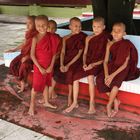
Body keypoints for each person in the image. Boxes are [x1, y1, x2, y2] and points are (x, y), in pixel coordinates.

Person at [64, 17, 111, 113]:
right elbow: (84, 54)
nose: (96, 29)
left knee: (90, 77)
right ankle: (74, 102)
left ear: (103, 27)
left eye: (99, 27)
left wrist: (93, 65)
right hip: (88, 62)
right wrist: (85, 63)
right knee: (75, 77)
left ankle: (92, 103)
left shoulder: (106, 38)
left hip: (99, 64)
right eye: (94, 27)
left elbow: (105, 58)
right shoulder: (88, 38)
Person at [96, 22, 140, 117]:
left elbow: (125, 64)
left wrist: (111, 76)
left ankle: (109, 105)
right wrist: (107, 75)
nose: (116, 33)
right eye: (114, 31)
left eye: (119, 31)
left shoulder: (127, 44)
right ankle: (116, 100)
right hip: (112, 66)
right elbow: (105, 61)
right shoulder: (109, 44)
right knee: (99, 79)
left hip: (123, 68)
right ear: (111, 32)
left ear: (124, 33)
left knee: (115, 84)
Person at [28, 15, 60, 116]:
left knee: (46, 83)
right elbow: (32, 55)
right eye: (38, 26)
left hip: (48, 65)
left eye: (44, 25)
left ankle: (46, 101)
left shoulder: (52, 37)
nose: (41, 28)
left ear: (48, 25)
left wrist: (51, 66)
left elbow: (54, 53)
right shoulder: (35, 38)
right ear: (35, 26)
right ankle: (31, 105)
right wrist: (40, 67)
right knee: (36, 87)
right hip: (39, 66)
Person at [54, 17, 87, 106]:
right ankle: (51, 92)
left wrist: (68, 65)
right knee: (56, 69)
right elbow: (63, 52)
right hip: (66, 59)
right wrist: (61, 64)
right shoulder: (65, 38)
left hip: (77, 60)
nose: (78, 28)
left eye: (80, 26)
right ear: (70, 27)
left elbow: (79, 53)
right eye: (76, 26)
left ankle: (70, 96)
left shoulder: (83, 37)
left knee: (70, 72)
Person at [5, 16, 37, 93]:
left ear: (35, 25)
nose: (27, 25)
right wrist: (14, 49)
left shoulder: (37, 35)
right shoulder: (28, 33)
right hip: (23, 53)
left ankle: (23, 84)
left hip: (32, 56)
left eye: (30, 23)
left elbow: (38, 49)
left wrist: (28, 57)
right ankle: (22, 81)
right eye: (26, 23)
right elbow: (24, 44)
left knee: (24, 66)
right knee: (13, 63)